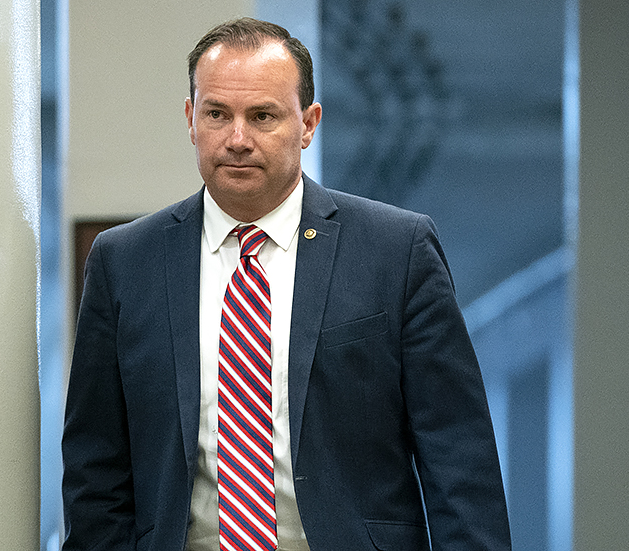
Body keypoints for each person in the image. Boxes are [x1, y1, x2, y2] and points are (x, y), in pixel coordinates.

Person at [62, 17, 511, 551]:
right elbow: (96, 469)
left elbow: (459, 462)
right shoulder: (125, 262)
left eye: (263, 116)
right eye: (216, 114)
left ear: (308, 123)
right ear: (190, 119)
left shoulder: (397, 251)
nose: (237, 139)